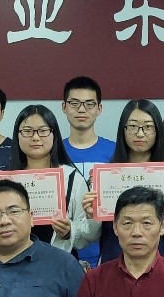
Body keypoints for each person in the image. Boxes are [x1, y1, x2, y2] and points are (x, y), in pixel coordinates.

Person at [88, 100, 164, 264]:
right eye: (132, 126)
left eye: (148, 127)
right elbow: (91, 237)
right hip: (114, 265)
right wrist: (91, 215)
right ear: (123, 130)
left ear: (158, 131)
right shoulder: (105, 176)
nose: (140, 133)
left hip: (160, 266)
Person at [8, 104, 97, 255]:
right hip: (13, 262)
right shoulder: (6, 180)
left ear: (54, 134)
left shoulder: (72, 177)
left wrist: (69, 231)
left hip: (59, 262)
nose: (35, 137)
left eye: (43, 131)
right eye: (27, 131)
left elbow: (90, 235)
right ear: (17, 135)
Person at [60, 76, 117, 179]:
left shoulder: (115, 151)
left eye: (89, 104)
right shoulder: (55, 151)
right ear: (64, 107)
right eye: (74, 103)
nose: (81, 109)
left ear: (99, 108)